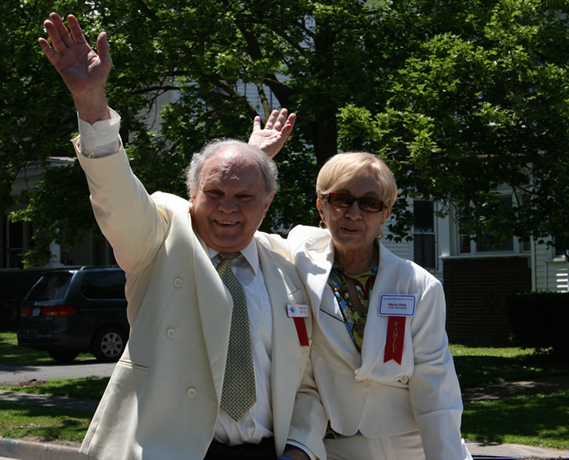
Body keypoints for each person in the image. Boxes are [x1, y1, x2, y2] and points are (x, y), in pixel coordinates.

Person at [38, 12, 327, 460]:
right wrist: (91, 101)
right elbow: (114, 193)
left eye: (245, 196)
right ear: (191, 195)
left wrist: (302, 449)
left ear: (267, 203)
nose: (229, 207)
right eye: (214, 193)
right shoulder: (159, 240)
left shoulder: (287, 263)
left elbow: (308, 378)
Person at [257, 150, 473, 460]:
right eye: (342, 199)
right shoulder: (300, 259)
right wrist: (255, 155)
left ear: (385, 214)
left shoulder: (418, 286)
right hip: (336, 448)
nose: (354, 213)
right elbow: (236, 223)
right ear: (321, 204)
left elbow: (435, 386)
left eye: (370, 203)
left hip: (411, 447)